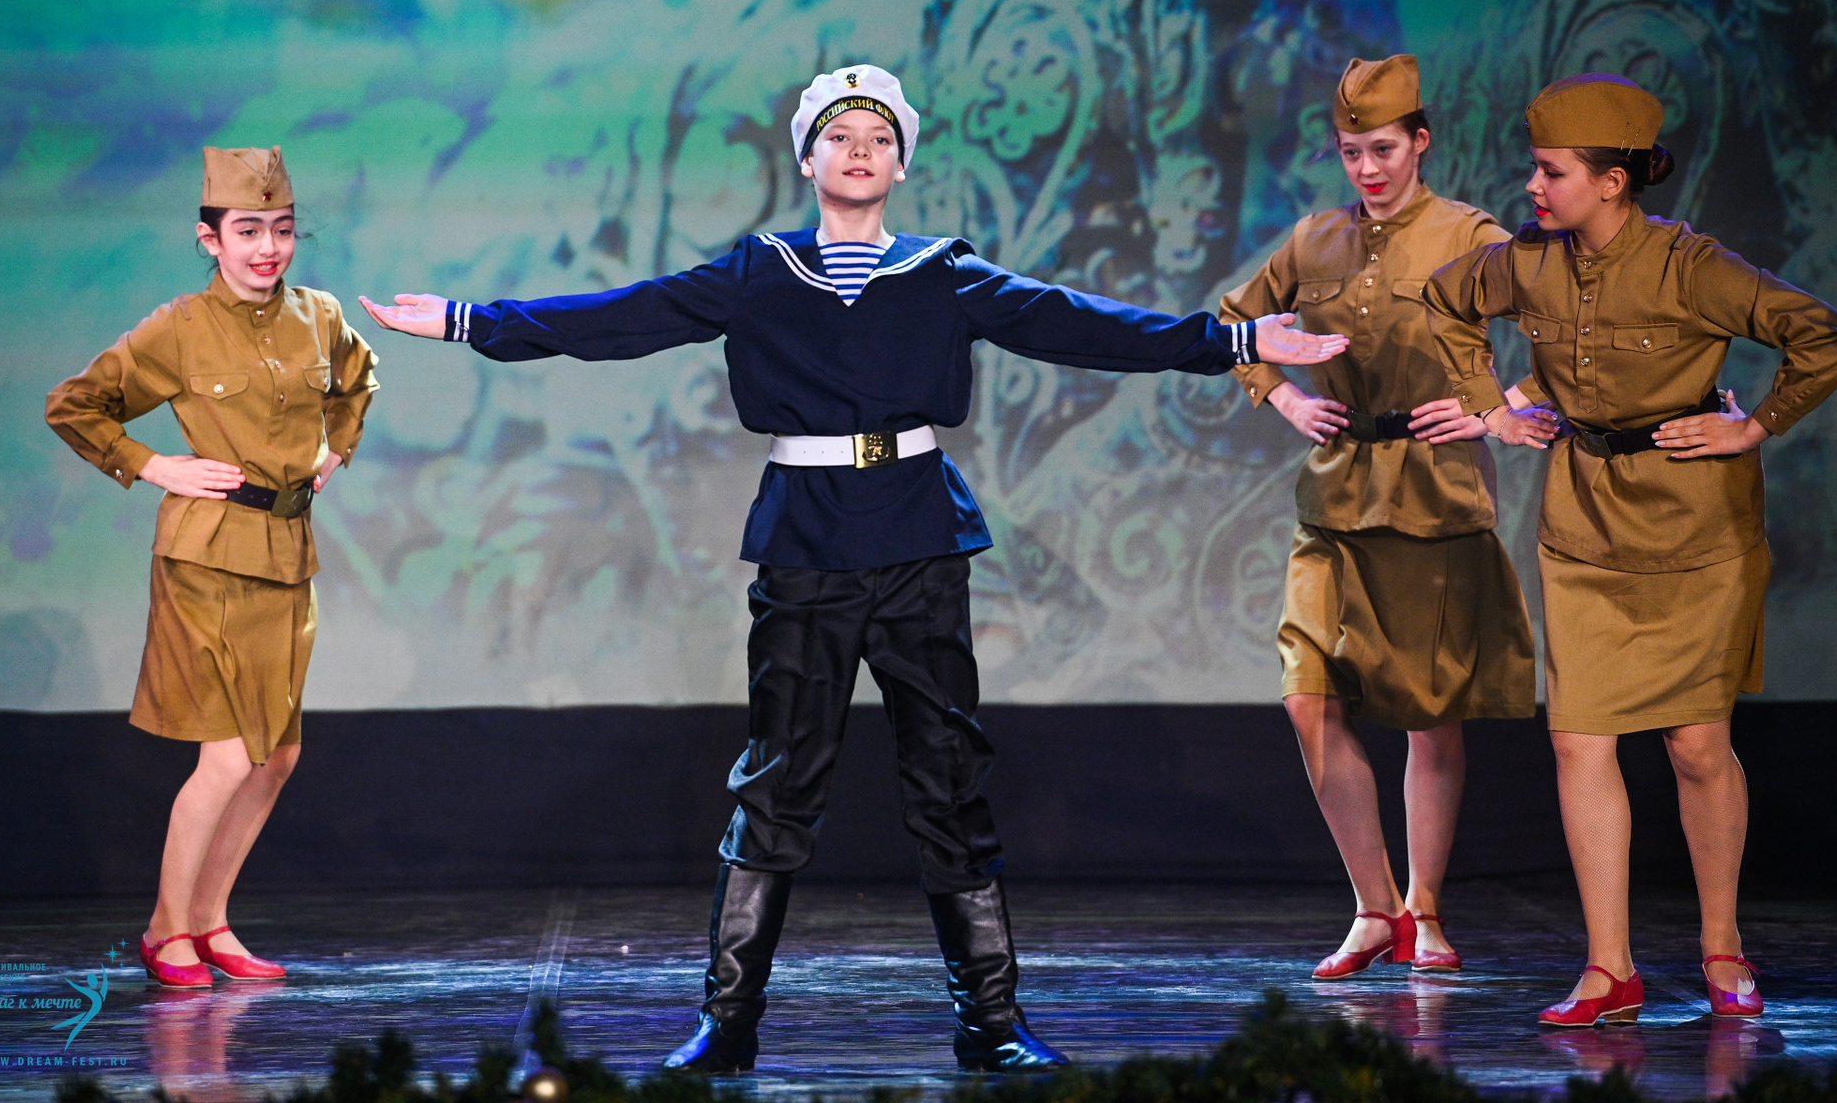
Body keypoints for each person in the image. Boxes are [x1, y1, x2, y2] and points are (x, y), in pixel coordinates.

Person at [360, 64, 1346, 1072]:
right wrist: (471, 321)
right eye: (840, 135)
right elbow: (624, 316)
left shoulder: (943, 271)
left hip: (918, 538)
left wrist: (1228, 340)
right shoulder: (760, 271)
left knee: (948, 778)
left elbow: (1071, 322)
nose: (861, 150)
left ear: (902, 162)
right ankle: (728, 1024)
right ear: (808, 158)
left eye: (879, 137)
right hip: (806, 542)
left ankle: (991, 1021)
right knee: (778, 781)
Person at [1427, 73, 1837, 1025]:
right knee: (1578, 739)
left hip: (1697, 532)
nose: (1532, 186)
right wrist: (1493, 407)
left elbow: (1823, 336)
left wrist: (1755, 425)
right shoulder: (1526, 261)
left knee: (1697, 745)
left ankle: (1722, 944)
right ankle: (1609, 968)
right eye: (1535, 169)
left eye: (1551, 172)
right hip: (1583, 524)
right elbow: (1445, 301)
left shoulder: (1692, 268)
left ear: (1613, 181)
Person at [1223, 55, 1537, 980]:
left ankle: (1424, 908)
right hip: (1334, 495)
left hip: (1436, 494)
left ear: (1421, 142)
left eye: (1385, 150)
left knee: (1431, 716)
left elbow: (1567, 327)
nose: (1368, 168)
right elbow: (1239, 322)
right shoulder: (1314, 240)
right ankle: (1374, 907)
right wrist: (1284, 397)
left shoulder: (1469, 236)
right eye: (1352, 152)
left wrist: (1494, 410)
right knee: (1307, 700)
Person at [46, 147, 379, 989]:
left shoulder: (319, 315)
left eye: (282, 230)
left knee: (277, 757)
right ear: (210, 239)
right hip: (208, 557)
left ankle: (211, 919)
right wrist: (154, 464)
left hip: (288, 554)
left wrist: (336, 449)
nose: (268, 248)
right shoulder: (181, 328)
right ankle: (166, 929)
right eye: (248, 230)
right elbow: (74, 405)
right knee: (229, 757)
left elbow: (358, 379)